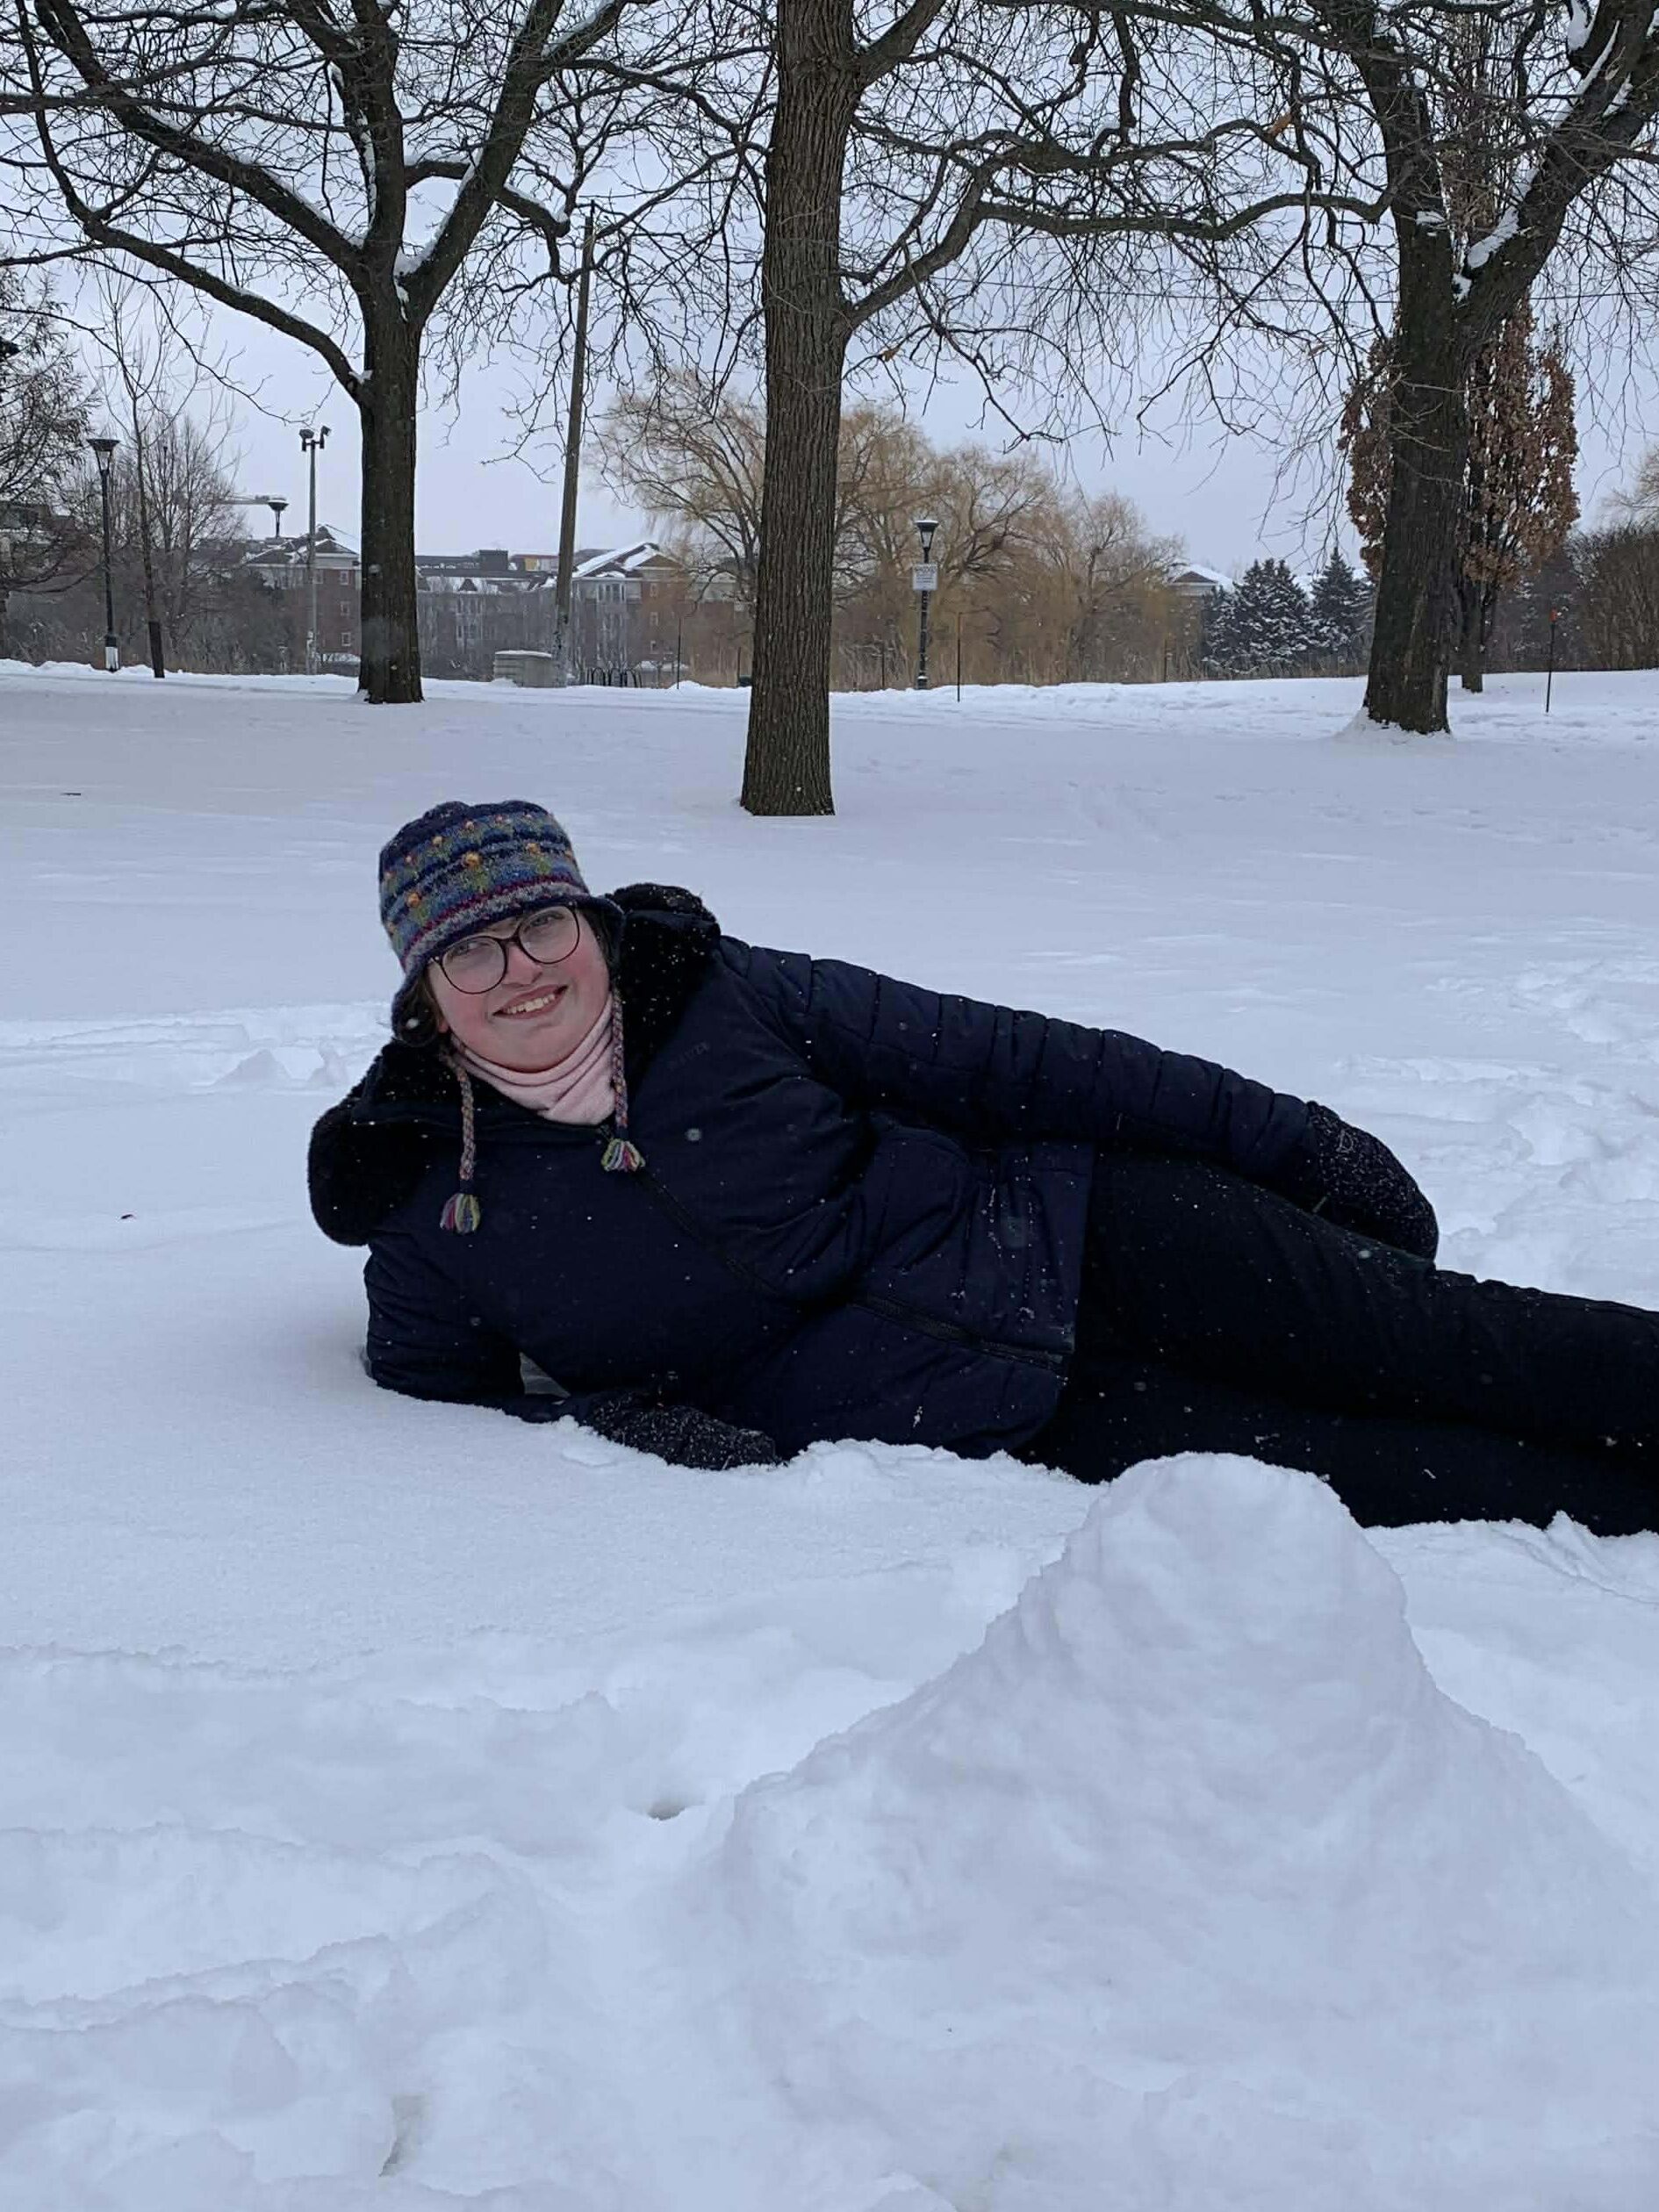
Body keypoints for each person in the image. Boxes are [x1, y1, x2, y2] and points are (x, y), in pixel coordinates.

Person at [309, 799, 1659, 1535]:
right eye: (470, 950)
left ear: (593, 923)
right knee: (1391, 1480)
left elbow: (1021, 1062)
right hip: (1001, 1412)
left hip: (1097, 1232)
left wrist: (1294, 1141)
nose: (522, 969)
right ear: (425, 993)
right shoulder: (423, 1200)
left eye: (544, 924)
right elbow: (444, 1407)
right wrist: (609, 1419)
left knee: (1453, 1341)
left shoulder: (728, 995)